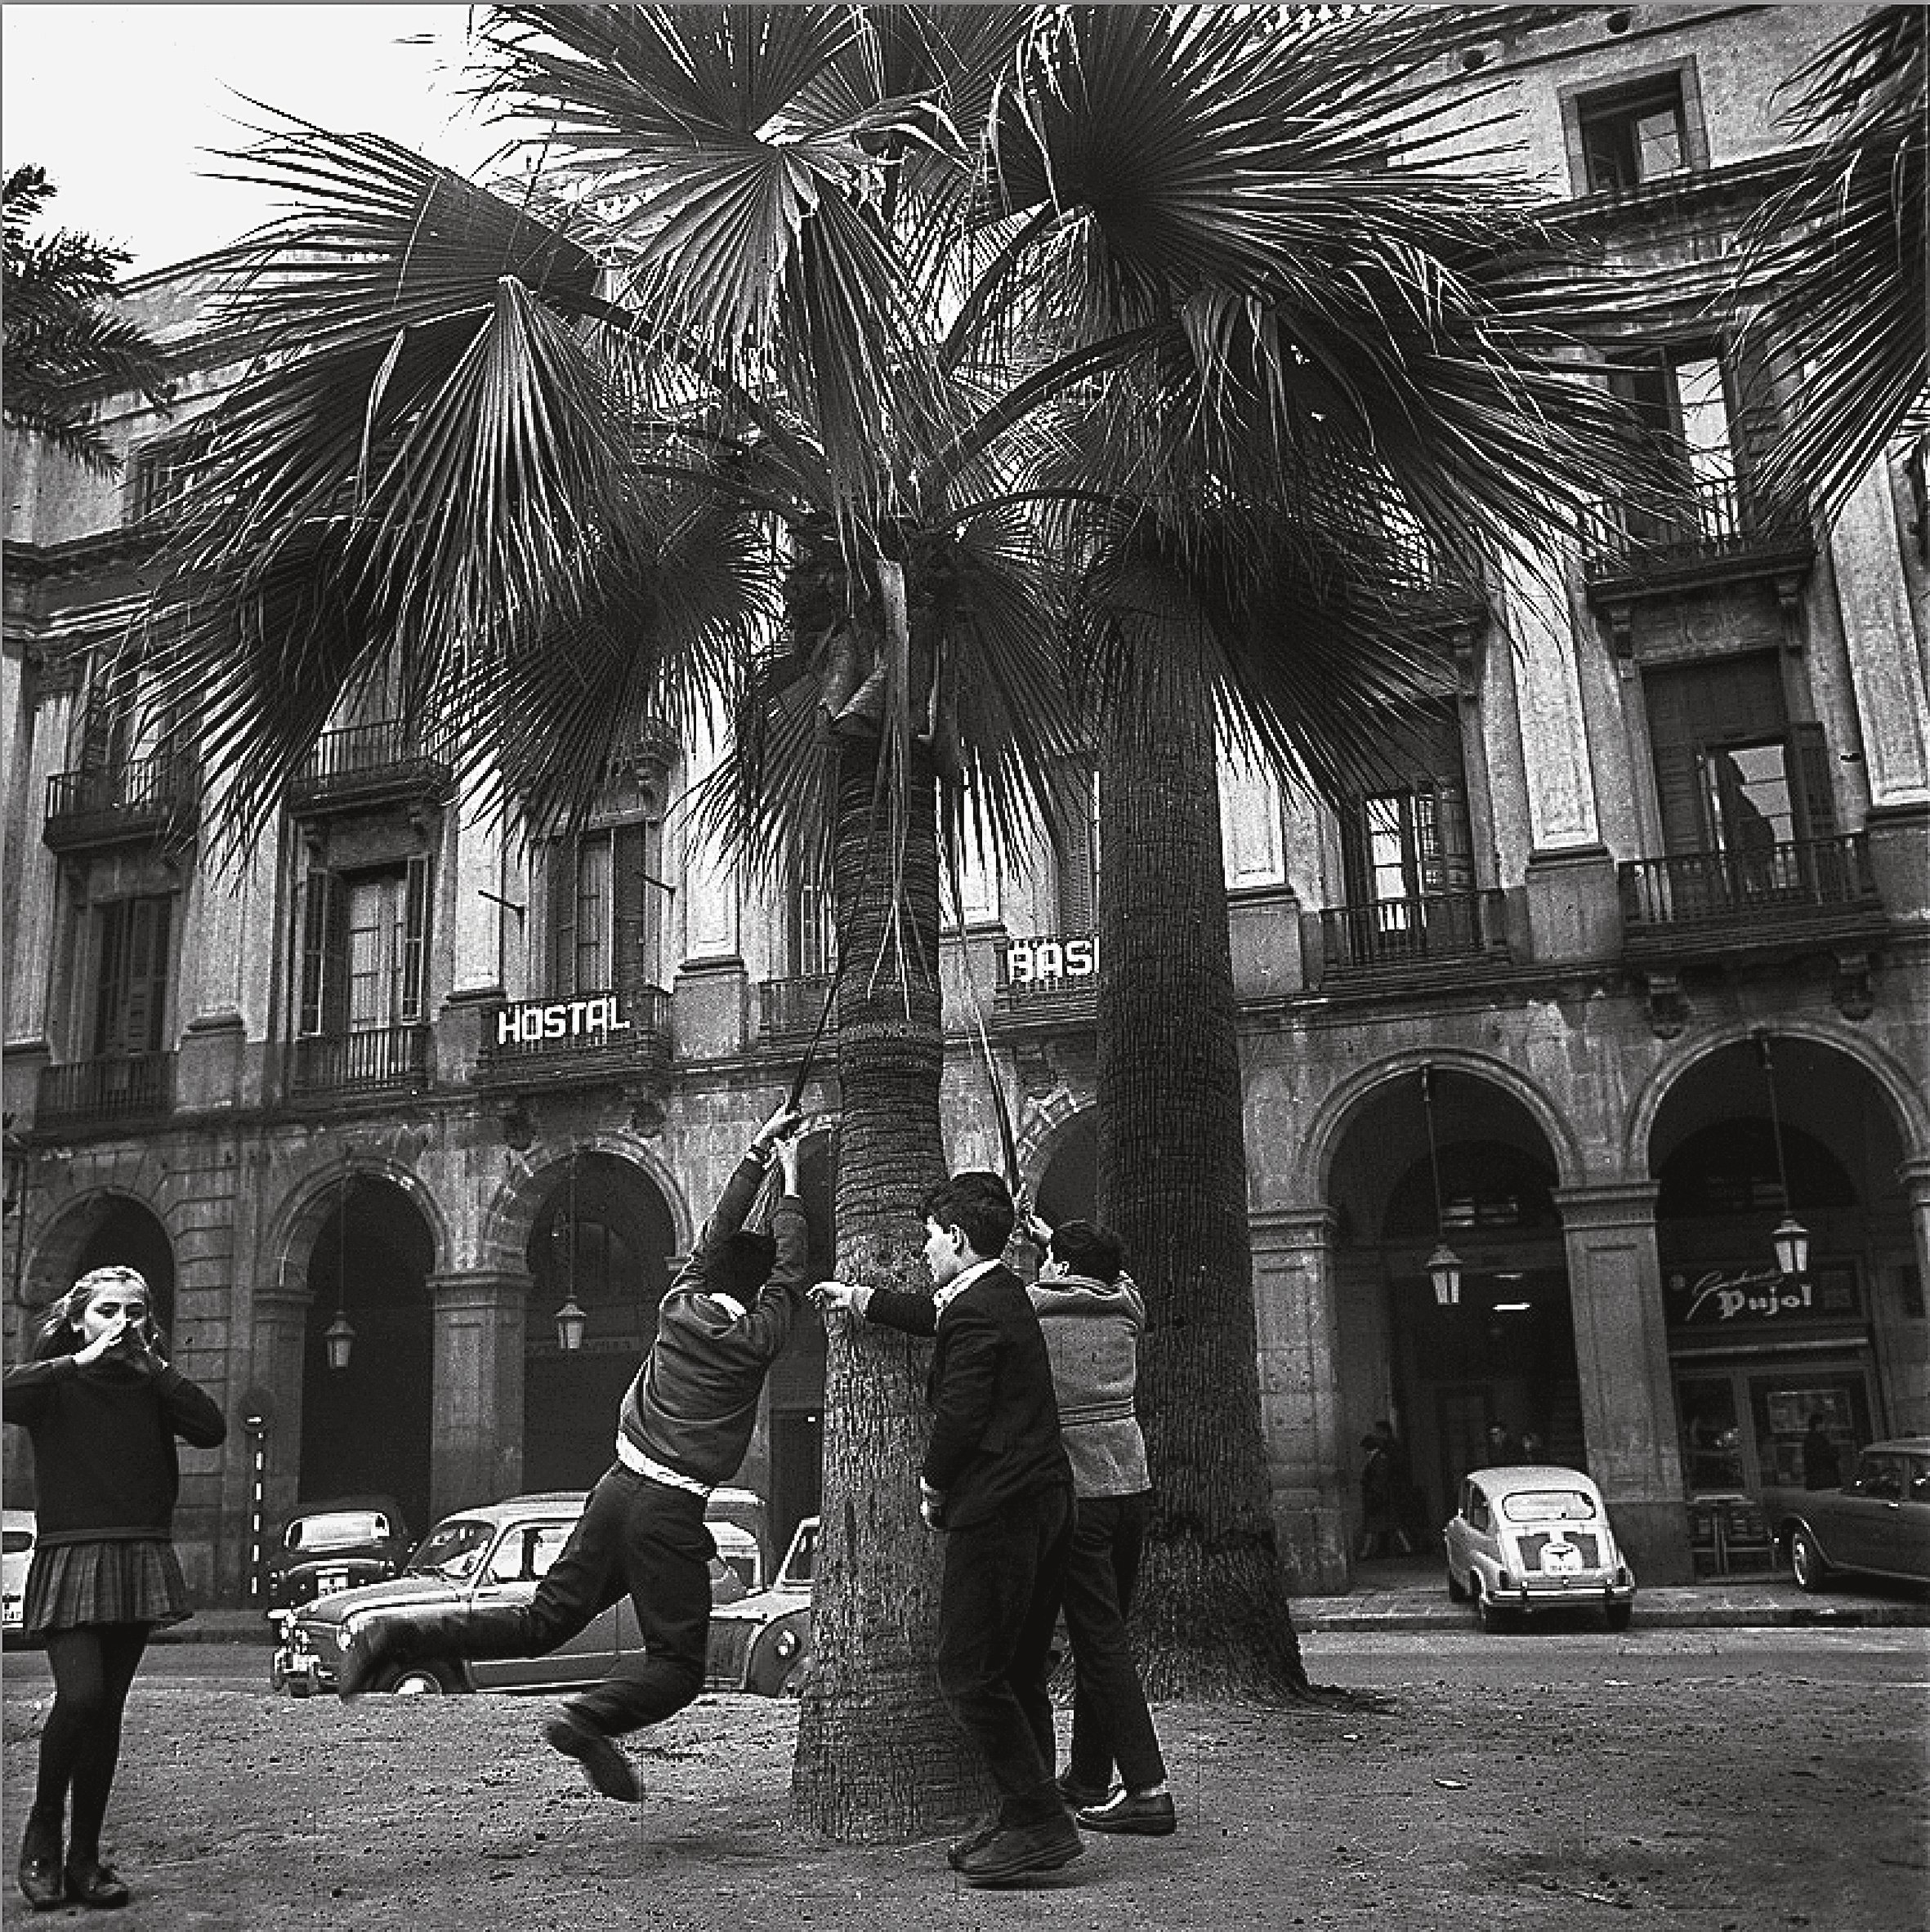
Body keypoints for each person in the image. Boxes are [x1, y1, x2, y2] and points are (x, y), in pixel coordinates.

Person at [338, 1102, 808, 1807]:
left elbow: (720, 1239)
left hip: (614, 1489)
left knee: (543, 1621)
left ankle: (392, 1634)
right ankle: (586, 1720)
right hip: (667, 1511)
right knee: (678, 1670)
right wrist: (795, 1185)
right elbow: (791, 1271)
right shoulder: (757, 1340)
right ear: (754, 1293)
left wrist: (760, 1157)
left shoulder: (677, 1304)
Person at [814, 1172, 1079, 1887]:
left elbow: (961, 1415)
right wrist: (859, 1300)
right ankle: (1030, 1812)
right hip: (1046, 1500)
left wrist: (932, 1486)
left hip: (1001, 1509)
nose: (925, 1250)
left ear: (957, 1238)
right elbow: (936, 1312)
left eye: (930, 1237)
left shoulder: (978, 1311)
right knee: (1018, 1669)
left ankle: (1042, 1822)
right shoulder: (997, 1295)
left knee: (967, 1671)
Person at [4, 1265, 228, 1911]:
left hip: (137, 1547)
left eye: (133, 1311)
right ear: (79, 1318)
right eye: (106, 1310)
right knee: (81, 1694)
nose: (120, 1323)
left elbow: (211, 1427)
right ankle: (44, 1830)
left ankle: (85, 1859)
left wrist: (155, 1367)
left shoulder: (154, 1383)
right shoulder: (56, 1382)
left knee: (106, 1713)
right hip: (73, 1552)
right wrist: (78, 1360)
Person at [1022, 1212, 1174, 1837]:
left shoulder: (1034, 1309)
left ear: (1057, 1268)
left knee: (1101, 1642)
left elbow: (964, 1305)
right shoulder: (1124, 1307)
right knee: (1099, 1636)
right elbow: (1120, 1278)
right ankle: (1088, 1776)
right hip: (1130, 1490)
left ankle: (1147, 1787)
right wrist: (1054, 1239)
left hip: (1080, 1495)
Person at [1356, 1434, 1414, 1559]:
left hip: (1379, 1498)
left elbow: (1379, 1479)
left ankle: (1365, 1552)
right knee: (1392, 1525)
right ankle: (1406, 1547)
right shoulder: (1379, 1458)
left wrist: (1374, 1493)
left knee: (1373, 1526)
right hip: (1381, 1497)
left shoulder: (1380, 1460)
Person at [1801, 1415, 1842, 1491]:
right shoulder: (1819, 1439)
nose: (1824, 1426)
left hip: (1815, 1479)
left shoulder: (1809, 1439)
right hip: (1824, 1479)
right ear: (1818, 1425)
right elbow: (1827, 1455)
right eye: (1823, 1423)